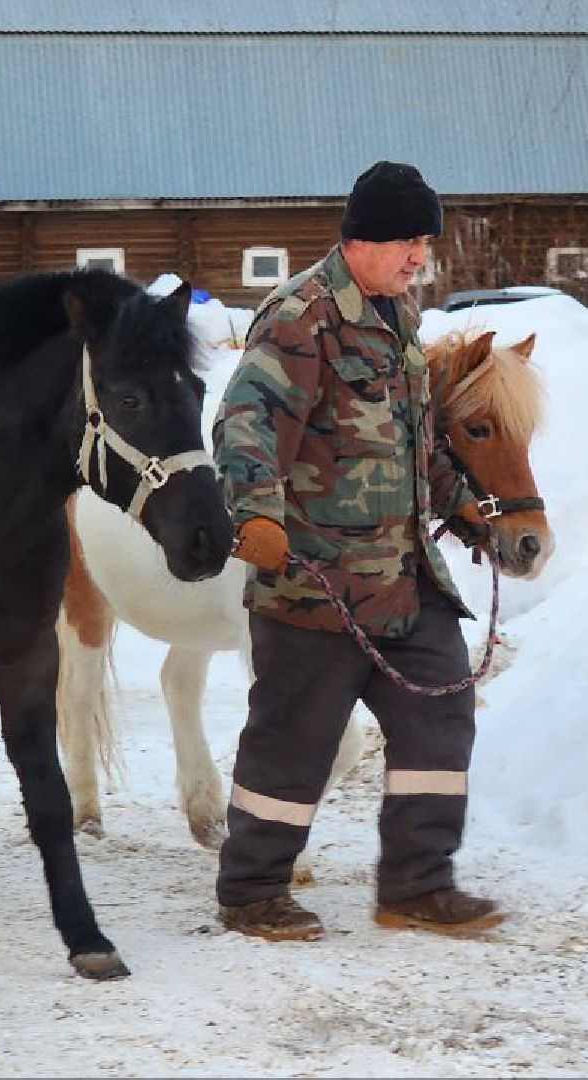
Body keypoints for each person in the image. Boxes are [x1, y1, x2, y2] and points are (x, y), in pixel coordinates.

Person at [210, 160, 500, 942]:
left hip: (404, 581)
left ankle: (417, 884)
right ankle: (251, 891)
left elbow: (415, 440)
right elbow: (246, 426)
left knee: (441, 720)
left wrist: (461, 502)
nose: (418, 257)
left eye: (423, 243)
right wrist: (257, 516)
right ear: (360, 238)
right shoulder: (300, 316)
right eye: (406, 241)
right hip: (317, 583)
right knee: (292, 742)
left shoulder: (397, 315)